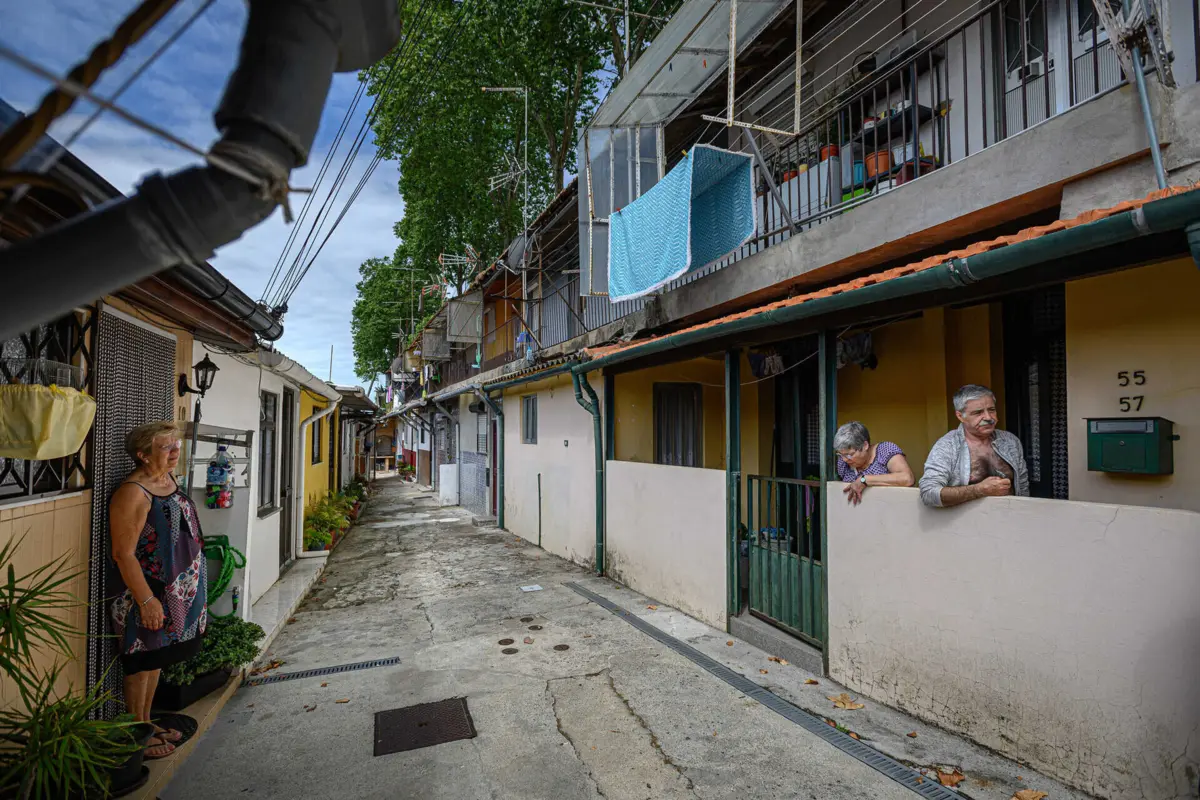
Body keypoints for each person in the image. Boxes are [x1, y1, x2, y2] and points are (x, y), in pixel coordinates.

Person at [109, 421, 207, 760]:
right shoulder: (133, 492)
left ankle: (147, 721)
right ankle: (137, 732)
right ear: (143, 454)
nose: (176, 451)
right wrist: (147, 600)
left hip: (173, 590)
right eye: (167, 447)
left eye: (176, 445)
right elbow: (123, 553)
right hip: (146, 590)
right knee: (141, 662)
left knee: (156, 660)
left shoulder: (168, 480)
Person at [919, 384, 1029, 508]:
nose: (988, 417)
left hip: (1010, 515)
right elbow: (928, 493)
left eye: (991, 410)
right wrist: (978, 490)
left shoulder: (1010, 441)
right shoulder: (948, 446)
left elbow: (1023, 487)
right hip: (967, 519)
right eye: (978, 412)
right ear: (960, 416)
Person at [833, 421, 915, 505]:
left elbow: (907, 478)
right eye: (841, 454)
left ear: (865, 445)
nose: (845, 459)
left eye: (850, 455)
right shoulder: (842, 462)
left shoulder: (885, 450)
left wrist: (864, 480)